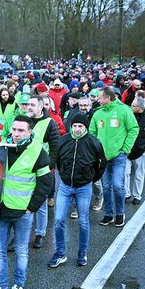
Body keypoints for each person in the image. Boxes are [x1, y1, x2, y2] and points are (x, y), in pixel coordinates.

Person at [0, 115, 52, 289]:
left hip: (23, 212)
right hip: (0, 209)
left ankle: (18, 287)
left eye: (21, 130)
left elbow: (46, 182)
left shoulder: (37, 152)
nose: (16, 134)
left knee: (22, 251)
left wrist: (31, 208)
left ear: (30, 132)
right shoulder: (0, 148)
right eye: (14, 129)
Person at [49, 113, 105, 268]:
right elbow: (58, 160)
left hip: (84, 188)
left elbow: (101, 164)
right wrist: (65, 174)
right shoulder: (64, 140)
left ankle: (82, 253)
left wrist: (91, 179)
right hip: (65, 186)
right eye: (74, 126)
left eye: (80, 126)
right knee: (59, 219)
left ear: (85, 127)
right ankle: (60, 253)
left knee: (83, 222)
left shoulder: (94, 143)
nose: (77, 129)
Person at [89, 87, 139, 227]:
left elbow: (134, 129)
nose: (98, 99)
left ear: (108, 98)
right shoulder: (97, 113)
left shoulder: (123, 110)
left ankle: (120, 214)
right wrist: (95, 150)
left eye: (100, 97)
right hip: (103, 158)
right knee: (106, 187)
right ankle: (108, 214)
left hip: (118, 156)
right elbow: (92, 132)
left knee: (118, 185)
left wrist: (125, 149)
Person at [25, 95, 60, 247]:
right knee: (22, 202)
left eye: (32, 105)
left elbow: (55, 147)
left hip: (42, 168)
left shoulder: (49, 123)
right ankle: (22, 235)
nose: (29, 107)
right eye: (27, 104)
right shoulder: (24, 121)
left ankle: (40, 234)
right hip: (24, 168)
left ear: (41, 107)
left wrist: (49, 166)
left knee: (40, 204)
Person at [124, 97, 145, 205]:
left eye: (133, 106)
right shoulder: (128, 115)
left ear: (139, 107)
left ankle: (137, 195)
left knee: (139, 174)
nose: (131, 107)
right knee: (124, 173)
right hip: (127, 149)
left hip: (142, 150)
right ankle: (126, 193)